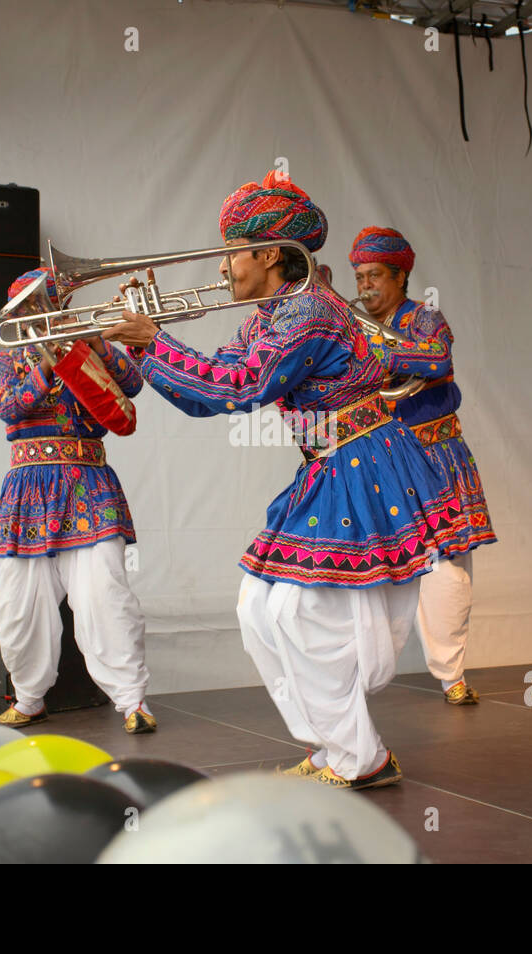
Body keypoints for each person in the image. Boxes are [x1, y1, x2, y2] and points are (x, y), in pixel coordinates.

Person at [103, 170, 465, 789]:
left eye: (229, 254)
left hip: (363, 461)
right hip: (330, 466)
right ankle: (329, 743)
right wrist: (143, 344)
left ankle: (363, 757)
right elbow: (212, 381)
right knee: (256, 609)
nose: (222, 270)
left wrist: (155, 340)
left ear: (269, 254)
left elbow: (236, 387)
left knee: (300, 614)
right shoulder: (276, 310)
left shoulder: (307, 315)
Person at [0, 267, 154, 733]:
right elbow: (7, 405)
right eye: (28, 309)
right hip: (28, 490)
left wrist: (96, 347)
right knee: (17, 607)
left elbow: (133, 385)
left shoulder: (86, 350)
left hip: (87, 482)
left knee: (106, 596)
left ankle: (132, 701)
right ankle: (29, 698)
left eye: (45, 305)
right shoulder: (4, 359)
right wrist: (47, 361)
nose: (37, 315)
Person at [348, 227, 496, 704]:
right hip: (384, 460)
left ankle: (452, 676)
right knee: (377, 569)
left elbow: (436, 360)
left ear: (400, 276)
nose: (364, 286)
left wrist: (371, 350)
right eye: (358, 277)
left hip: (435, 453)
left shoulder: (427, 319)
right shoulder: (351, 326)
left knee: (447, 568)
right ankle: (362, 676)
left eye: (373, 276)